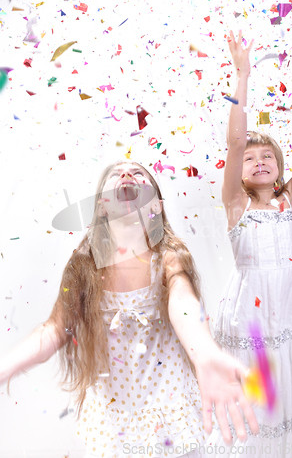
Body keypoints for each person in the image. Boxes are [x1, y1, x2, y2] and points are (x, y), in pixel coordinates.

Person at [0, 160, 259, 458]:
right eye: (116, 175)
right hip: (115, 415)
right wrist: (5, 368)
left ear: (157, 207)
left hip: (167, 409)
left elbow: (182, 302)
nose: (126, 175)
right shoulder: (84, 265)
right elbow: (55, 329)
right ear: (100, 207)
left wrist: (204, 351)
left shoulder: (169, 257)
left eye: (139, 175)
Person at [211, 30, 292, 457]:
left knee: (281, 400)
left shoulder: (289, 201)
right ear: (240, 172)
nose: (259, 161)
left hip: (286, 309)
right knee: (253, 401)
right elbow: (236, 140)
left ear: (279, 168)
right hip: (249, 316)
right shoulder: (235, 204)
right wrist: (242, 75)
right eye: (251, 159)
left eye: (268, 157)